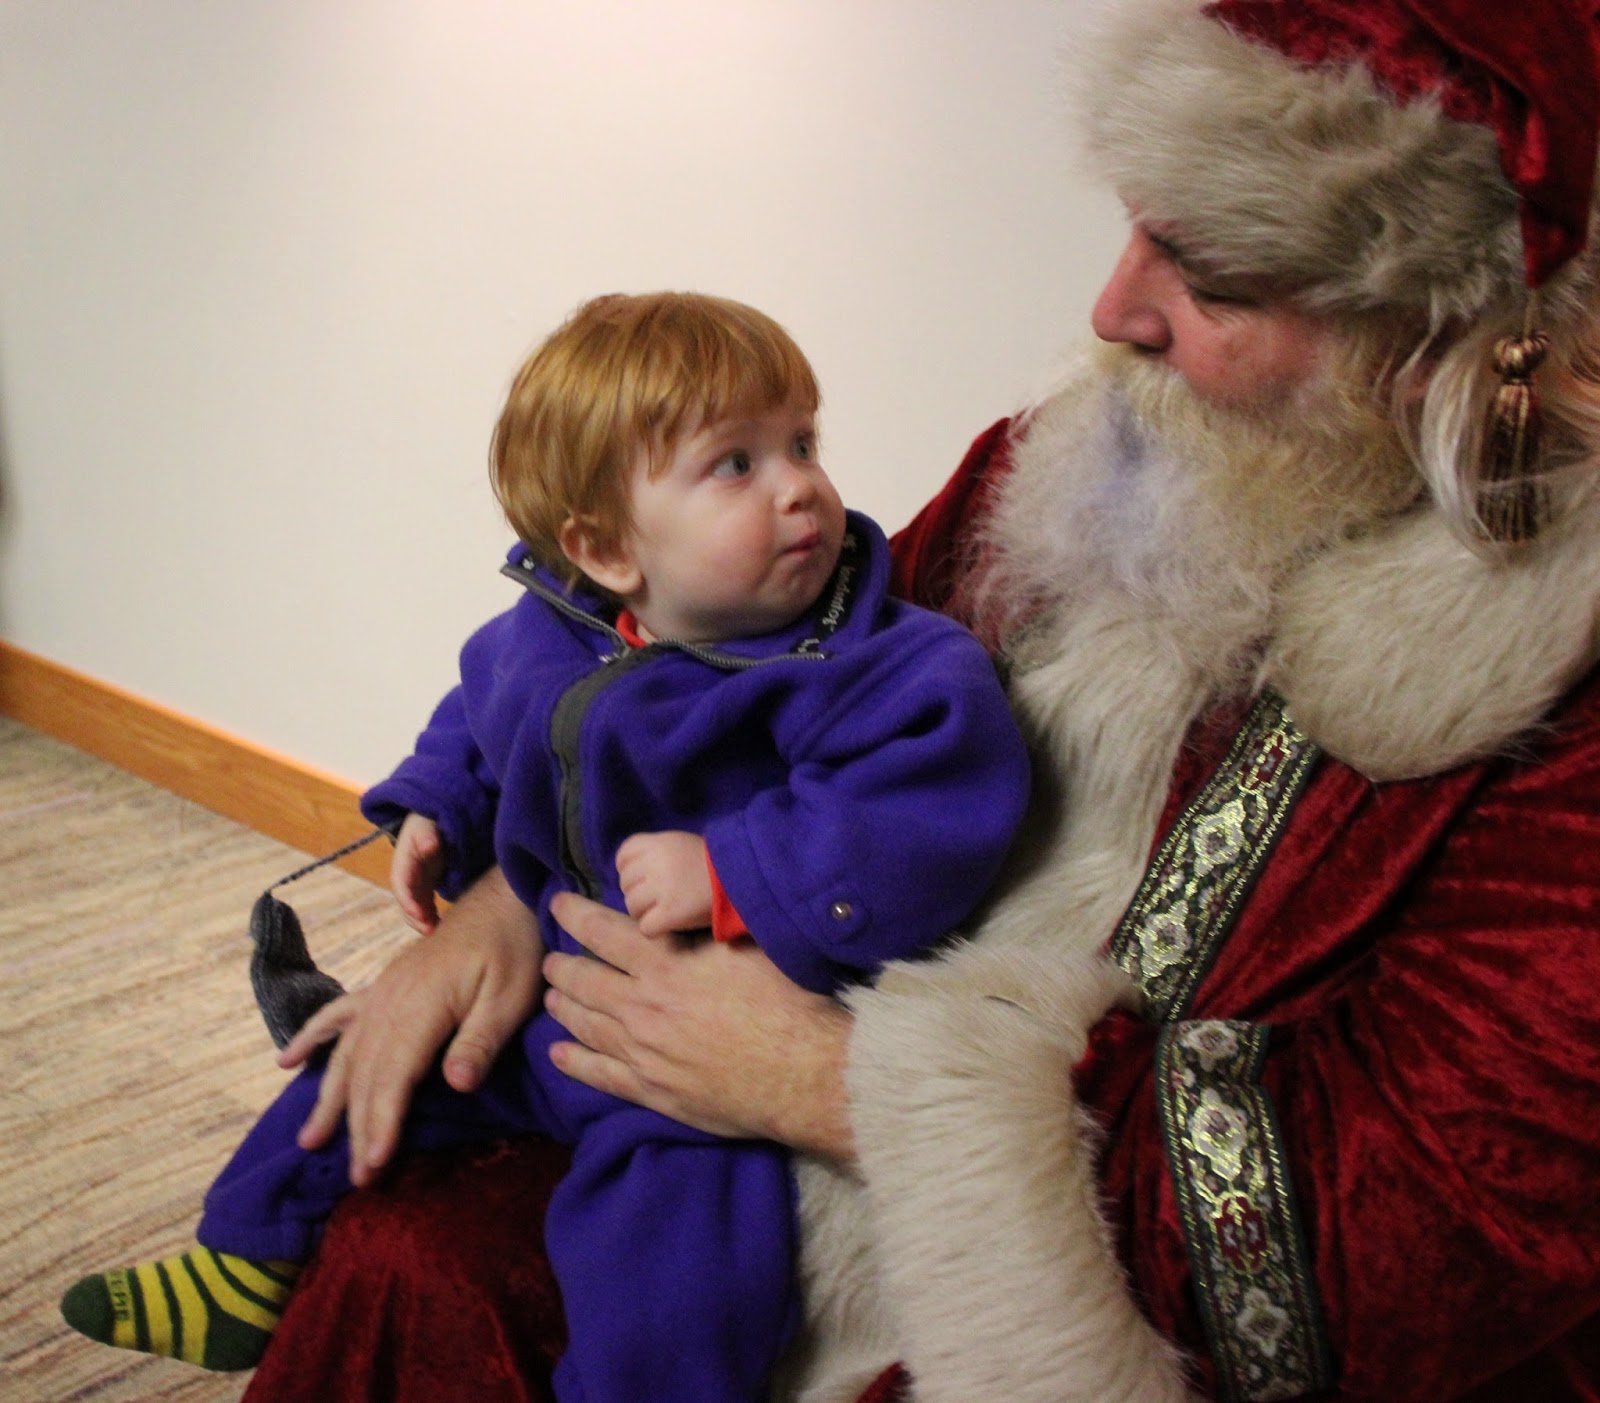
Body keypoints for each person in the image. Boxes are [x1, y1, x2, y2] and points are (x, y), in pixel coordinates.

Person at [232, 0, 1600, 1399]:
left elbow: (1402, 1245)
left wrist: (825, 1081)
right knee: (405, 1249)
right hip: (776, 1102)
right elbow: (737, 710)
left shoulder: (1566, 709)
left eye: (1211, 276)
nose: (1112, 311)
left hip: (1073, 1285)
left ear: (1459, 340)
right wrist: (507, 908)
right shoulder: (1076, 453)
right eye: (1134, 227)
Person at [59, 292, 1031, 1403]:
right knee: (362, 1061)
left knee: (681, 1258)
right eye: (736, 463)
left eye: (801, 442)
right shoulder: (554, 630)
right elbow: (483, 718)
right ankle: (243, 1257)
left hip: (694, 1056)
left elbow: (920, 809)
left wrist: (734, 869)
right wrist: (434, 804)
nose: (800, 485)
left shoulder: (881, 666)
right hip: (543, 1002)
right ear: (606, 549)